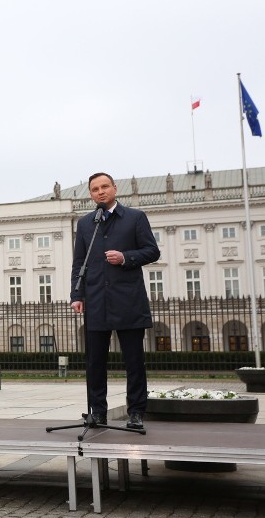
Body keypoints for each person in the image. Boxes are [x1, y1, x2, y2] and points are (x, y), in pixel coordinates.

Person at [70, 172, 160, 430]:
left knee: (134, 361)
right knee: (95, 362)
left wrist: (125, 257)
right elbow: (79, 262)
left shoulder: (135, 217)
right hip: (97, 301)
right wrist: (77, 295)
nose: (100, 191)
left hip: (128, 300)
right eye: (95, 188)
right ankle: (98, 412)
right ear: (91, 194)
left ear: (114, 189)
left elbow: (152, 251)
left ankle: (136, 412)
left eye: (105, 187)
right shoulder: (87, 223)